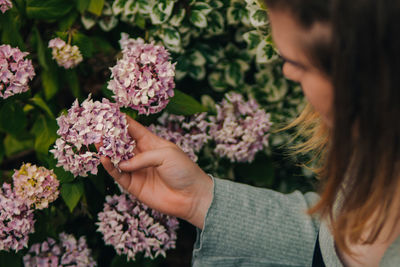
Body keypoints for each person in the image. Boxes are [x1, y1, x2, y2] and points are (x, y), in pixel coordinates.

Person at [99, 0, 400, 266]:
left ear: (364, 74)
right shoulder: (377, 153)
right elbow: (329, 243)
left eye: (298, 63)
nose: (288, 73)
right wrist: (200, 199)